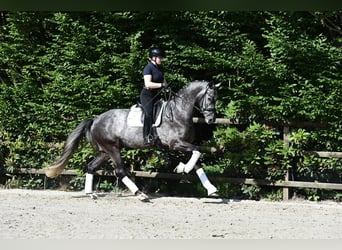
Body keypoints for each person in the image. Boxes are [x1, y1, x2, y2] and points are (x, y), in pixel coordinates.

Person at [140, 48, 168, 145]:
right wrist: (161, 85)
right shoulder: (148, 68)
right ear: (154, 58)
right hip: (147, 95)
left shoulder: (160, 68)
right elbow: (148, 84)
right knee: (149, 113)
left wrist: (167, 87)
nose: (161, 59)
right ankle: (146, 136)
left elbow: (164, 81)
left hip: (157, 95)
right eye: (160, 57)